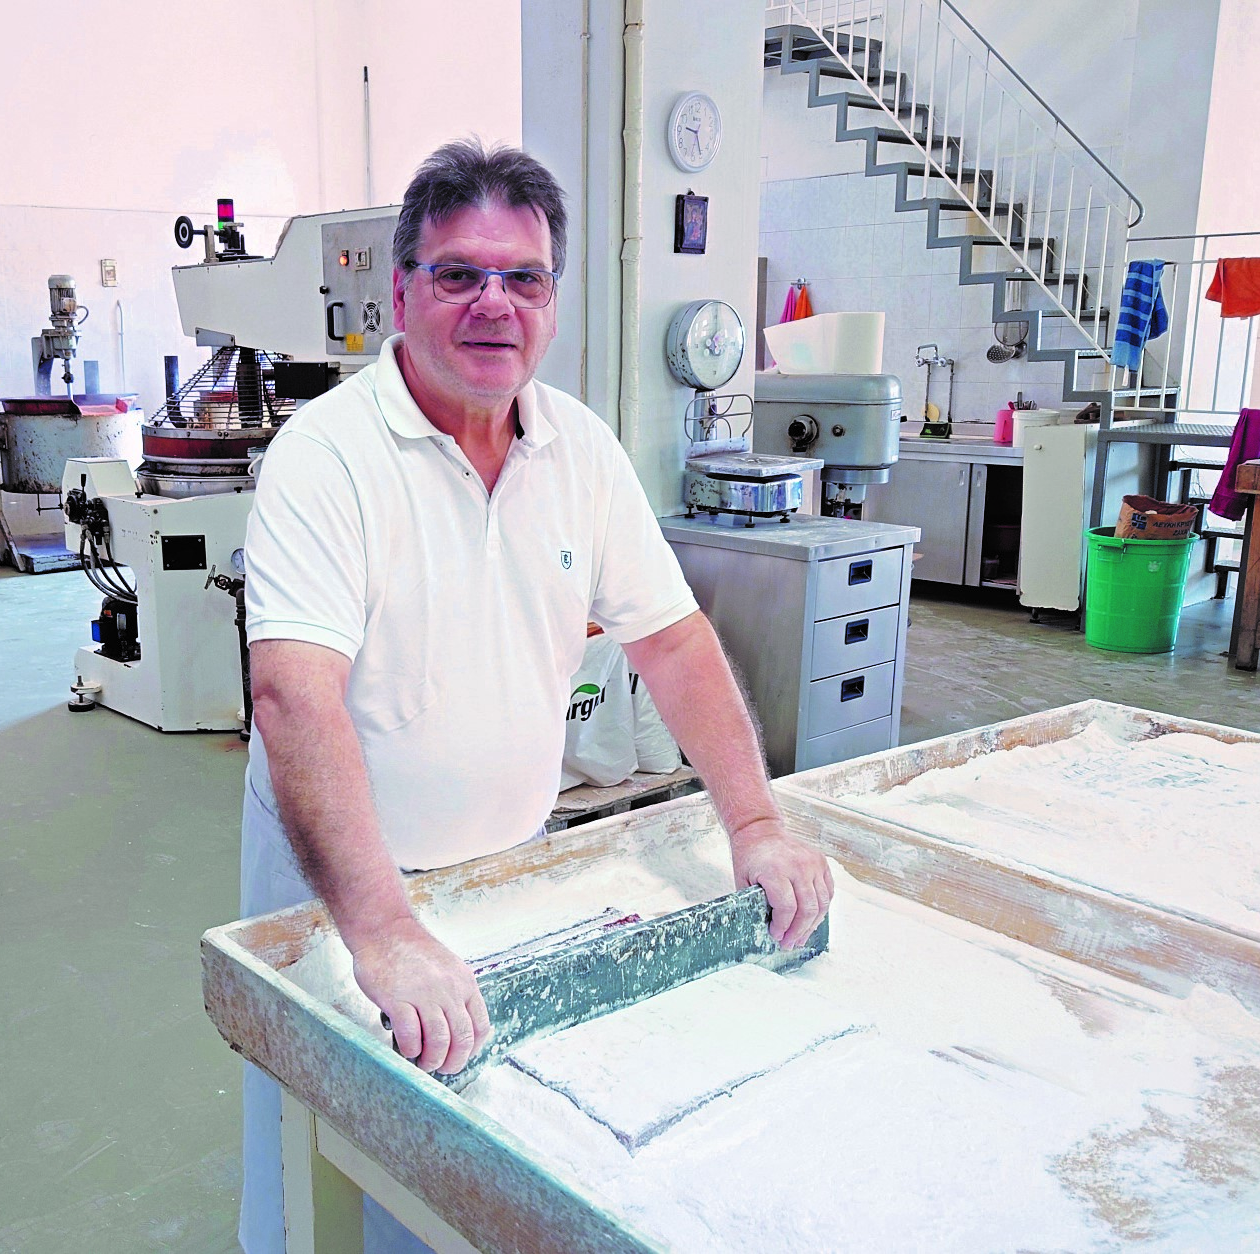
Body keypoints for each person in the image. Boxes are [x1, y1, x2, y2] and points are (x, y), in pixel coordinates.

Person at [236, 138, 834, 1253]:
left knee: (472, 1155)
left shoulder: (580, 451)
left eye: (524, 277)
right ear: (402, 294)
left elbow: (676, 644)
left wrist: (755, 824)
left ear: (552, 303)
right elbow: (292, 698)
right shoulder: (328, 456)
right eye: (459, 273)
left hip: (510, 865)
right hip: (343, 884)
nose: (493, 303)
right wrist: (383, 930)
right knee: (321, 1149)